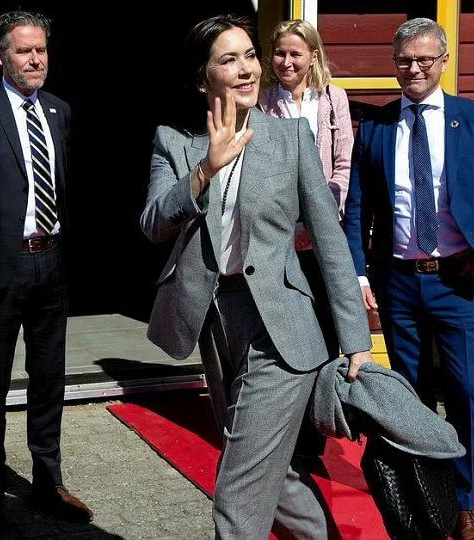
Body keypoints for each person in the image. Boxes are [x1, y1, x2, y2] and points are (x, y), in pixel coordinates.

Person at [140, 14, 373, 539]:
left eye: (249, 55)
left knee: (239, 487)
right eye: (229, 59)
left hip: (282, 328)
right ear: (204, 78)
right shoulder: (175, 141)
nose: (247, 69)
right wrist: (205, 172)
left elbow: (330, 242)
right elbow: (153, 223)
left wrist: (356, 339)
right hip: (214, 321)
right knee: (267, 467)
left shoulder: (290, 138)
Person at [343, 17, 474, 540]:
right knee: (411, 397)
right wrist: (359, 275)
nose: (414, 68)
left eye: (425, 58)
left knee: (465, 391)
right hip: (399, 282)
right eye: (404, 60)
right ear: (394, 63)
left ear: (443, 60)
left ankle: (466, 505)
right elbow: (357, 211)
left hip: (459, 281)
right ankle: (428, 494)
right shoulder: (375, 129)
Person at [0, 9, 93, 531]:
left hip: (51, 264)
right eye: (24, 50)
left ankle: (48, 482)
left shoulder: (59, 111)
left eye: (41, 50)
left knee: (50, 380)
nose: (35, 59)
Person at [259, 18, 354, 459]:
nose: (287, 62)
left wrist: (322, 213)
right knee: (289, 331)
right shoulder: (263, 102)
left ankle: (320, 426)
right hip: (280, 235)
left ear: (313, 56)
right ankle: (288, 427)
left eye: (296, 54)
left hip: (322, 234)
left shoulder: (333, 100)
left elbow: (343, 164)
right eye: (280, 53)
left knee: (328, 331)